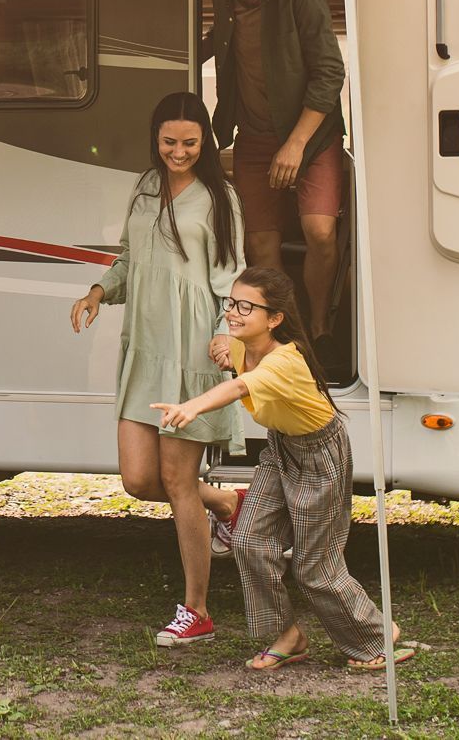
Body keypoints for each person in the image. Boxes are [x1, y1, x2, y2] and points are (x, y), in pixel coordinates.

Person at [155, 266, 415, 673]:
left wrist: (192, 406)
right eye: (231, 303)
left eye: (246, 307)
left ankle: (375, 636)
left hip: (319, 455)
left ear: (274, 318)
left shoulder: (284, 361)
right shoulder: (244, 345)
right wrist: (223, 343)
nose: (234, 313)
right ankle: (288, 636)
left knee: (315, 566)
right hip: (281, 449)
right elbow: (229, 349)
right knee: (248, 541)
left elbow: (239, 388)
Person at [69, 91, 245, 647]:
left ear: (205, 143)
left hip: (192, 349)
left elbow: (231, 275)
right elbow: (128, 255)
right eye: (169, 141)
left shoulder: (221, 196)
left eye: (190, 142)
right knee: (138, 480)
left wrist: (226, 332)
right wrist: (99, 290)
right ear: (156, 139)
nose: (178, 151)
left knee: (175, 480)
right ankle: (224, 501)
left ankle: (197, 610)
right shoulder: (145, 187)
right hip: (144, 346)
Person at [200, 0, 346, 345]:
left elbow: (330, 72)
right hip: (254, 136)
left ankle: (321, 329)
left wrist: (296, 145)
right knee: (261, 248)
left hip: (311, 137)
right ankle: (292, 335)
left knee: (319, 231)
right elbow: (225, 39)